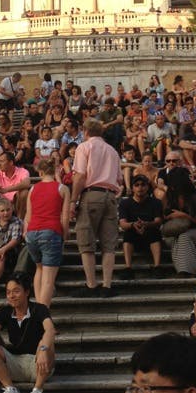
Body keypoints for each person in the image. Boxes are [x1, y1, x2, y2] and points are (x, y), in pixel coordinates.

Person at [70, 118, 123, 297]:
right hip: (110, 196)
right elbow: (120, 180)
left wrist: (72, 201)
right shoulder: (113, 151)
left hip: (91, 194)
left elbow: (80, 176)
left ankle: (91, 284)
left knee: (86, 241)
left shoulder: (84, 147)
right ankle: (107, 285)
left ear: (85, 131)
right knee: (109, 244)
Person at [24, 158, 70, 306]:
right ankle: (42, 317)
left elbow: (28, 216)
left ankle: (38, 306)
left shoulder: (32, 189)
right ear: (55, 171)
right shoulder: (62, 188)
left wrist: (26, 233)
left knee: (39, 268)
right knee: (49, 280)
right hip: (51, 231)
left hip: (32, 233)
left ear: (41, 172)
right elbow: (65, 216)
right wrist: (66, 233)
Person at [117, 174, 164, 278]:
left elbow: (158, 221)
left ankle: (157, 266)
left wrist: (146, 224)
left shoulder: (156, 202)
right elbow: (123, 224)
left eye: (143, 185)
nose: (140, 188)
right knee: (128, 234)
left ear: (147, 187)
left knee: (155, 233)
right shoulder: (125, 203)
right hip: (133, 233)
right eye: (137, 185)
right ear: (133, 188)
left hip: (150, 232)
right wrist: (134, 225)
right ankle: (128, 268)